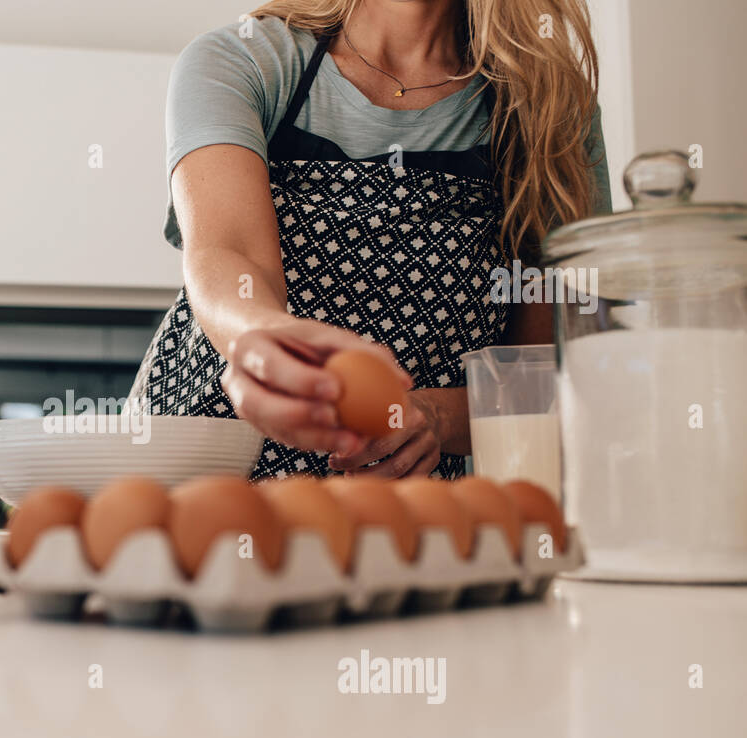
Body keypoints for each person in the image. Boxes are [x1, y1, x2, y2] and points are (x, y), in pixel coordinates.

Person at [130, 0, 610, 480]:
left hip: (406, 508)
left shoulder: (550, 110)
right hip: (205, 469)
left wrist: (438, 416)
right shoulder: (245, 59)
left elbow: (546, 374)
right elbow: (228, 251)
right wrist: (259, 339)